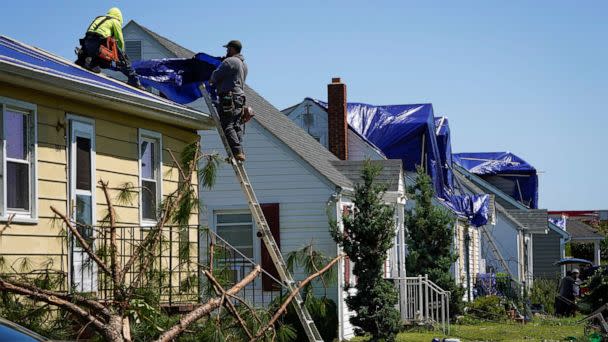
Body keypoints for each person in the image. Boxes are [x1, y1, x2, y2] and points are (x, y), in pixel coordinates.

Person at [75, 7, 143, 89]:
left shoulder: (99, 18)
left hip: (86, 42)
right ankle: (134, 81)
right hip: (99, 42)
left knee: (95, 65)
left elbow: (90, 31)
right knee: (116, 57)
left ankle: (87, 62)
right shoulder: (115, 21)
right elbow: (120, 40)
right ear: (119, 17)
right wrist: (122, 56)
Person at [209, 40, 248, 162]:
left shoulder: (229, 61)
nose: (226, 52)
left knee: (227, 125)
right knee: (236, 126)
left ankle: (236, 151)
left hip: (228, 97)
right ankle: (238, 152)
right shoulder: (243, 65)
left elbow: (215, 77)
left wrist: (212, 76)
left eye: (227, 49)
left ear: (232, 49)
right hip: (239, 99)